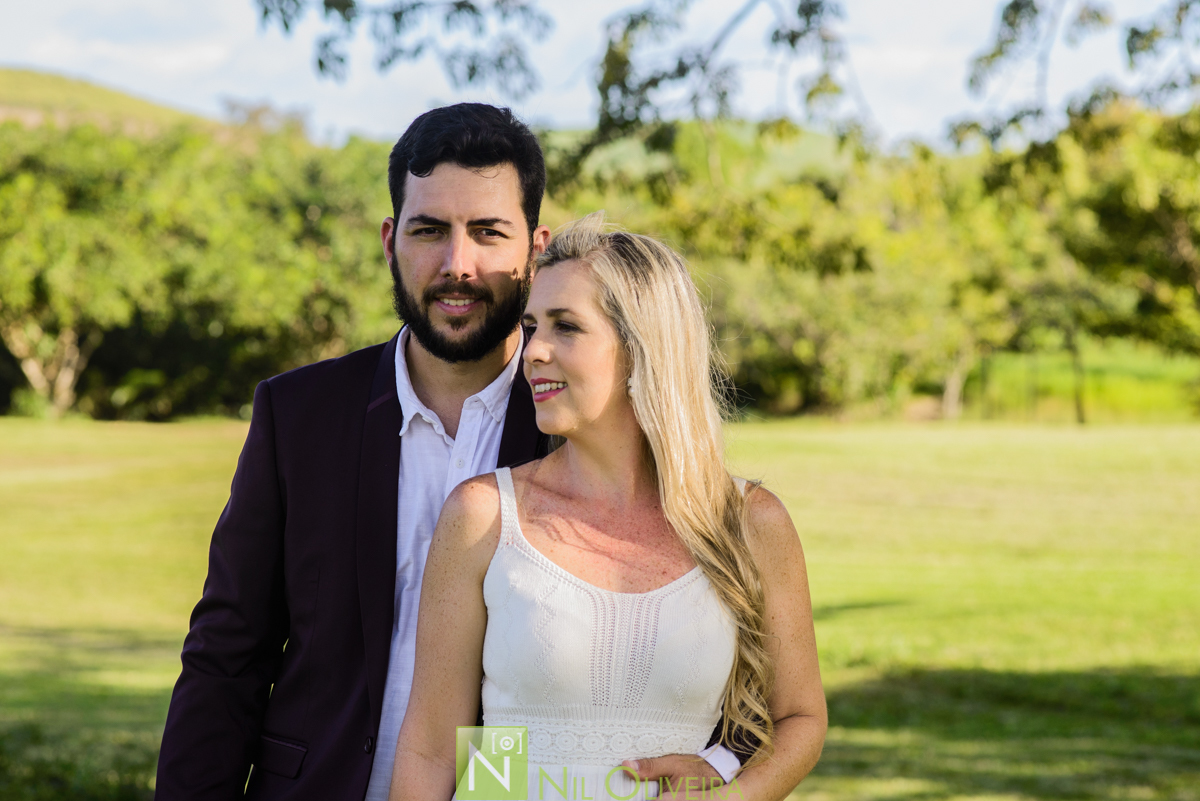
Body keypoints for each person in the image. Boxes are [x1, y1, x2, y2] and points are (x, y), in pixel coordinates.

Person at [155, 104, 736, 801]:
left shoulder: (586, 424)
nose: (457, 265)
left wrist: (726, 764)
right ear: (390, 239)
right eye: (429, 230)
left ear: (536, 248)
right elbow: (227, 655)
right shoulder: (298, 415)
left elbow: (713, 651)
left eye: (488, 233)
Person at [389, 215, 827, 801]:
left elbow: (799, 717)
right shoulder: (484, 515)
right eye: (531, 326)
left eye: (565, 327)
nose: (532, 351)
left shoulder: (749, 523)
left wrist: (732, 788)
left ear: (644, 349)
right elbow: (434, 748)